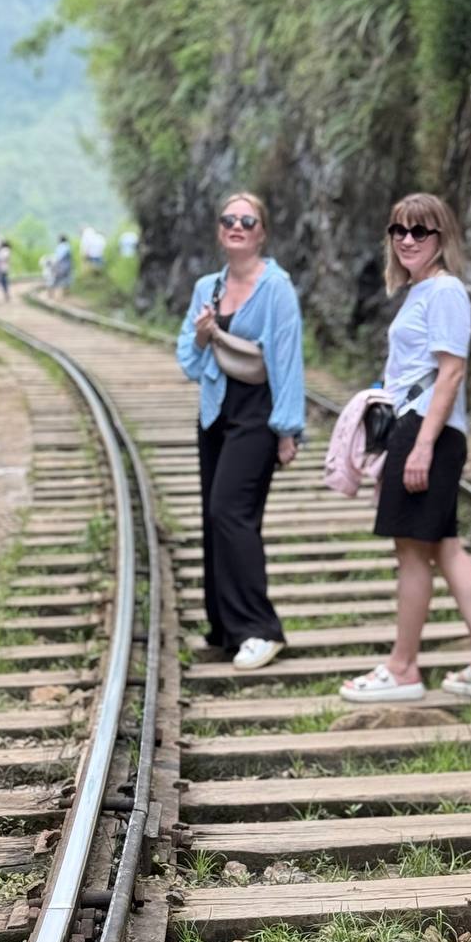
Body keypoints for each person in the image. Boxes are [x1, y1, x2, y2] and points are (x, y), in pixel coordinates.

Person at [340, 193, 471, 703]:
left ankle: (403, 667)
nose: (407, 240)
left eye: (420, 231)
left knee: (412, 552)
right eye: (399, 230)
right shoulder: (420, 291)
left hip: (426, 430)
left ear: (441, 237)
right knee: (443, 547)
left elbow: (451, 372)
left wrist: (421, 447)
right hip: (420, 429)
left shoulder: (445, 290)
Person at [176, 191, 305, 671]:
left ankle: (260, 629)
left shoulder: (276, 288)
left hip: (258, 414)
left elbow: (287, 361)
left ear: (262, 232)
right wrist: (202, 335)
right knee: (214, 518)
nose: (236, 226)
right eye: (228, 219)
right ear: (219, 229)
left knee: (231, 512)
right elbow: (189, 361)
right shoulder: (207, 287)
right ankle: (226, 628)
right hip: (214, 413)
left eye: (247, 220)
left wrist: (287, 429)